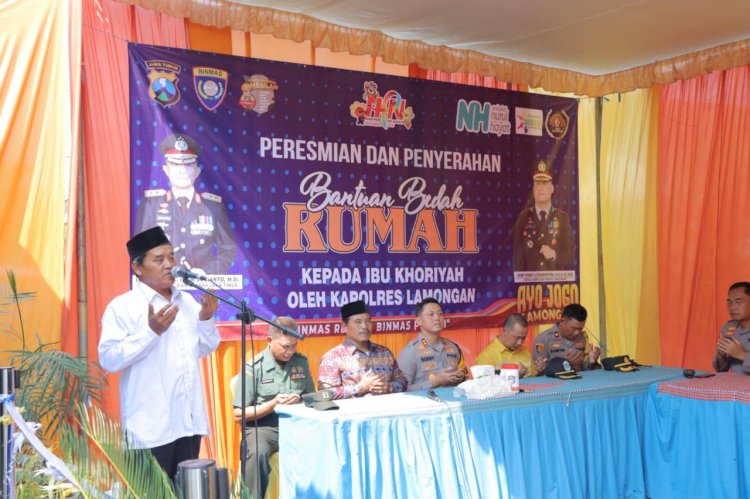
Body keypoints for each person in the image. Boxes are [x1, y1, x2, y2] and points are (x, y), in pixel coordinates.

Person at [98, 226, 220, 479]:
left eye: (171, 257)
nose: (169, 265)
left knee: (186, 493)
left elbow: (205, 348)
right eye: (159, 259)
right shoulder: (123, 307)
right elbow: (109, 359)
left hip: (188, 423)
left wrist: (206, 319)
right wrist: (151, 332)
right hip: (150, 429)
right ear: (138, 267)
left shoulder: (186, 302)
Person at [232, 317, 314, 498]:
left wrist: (299, 401)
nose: (290, 351)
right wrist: (273, 404)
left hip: (296, 425)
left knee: (322, 444)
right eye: (285, 346)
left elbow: (312, 399)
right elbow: (238, 414)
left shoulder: (301, 362)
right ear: (269, 340)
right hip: (263, 428)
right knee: (257, 453)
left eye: (294, 346)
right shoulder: (253, 367)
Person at [135, 133, 236, 275]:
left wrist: (205, 272)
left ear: (197, 171)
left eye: (188, 165)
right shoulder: (151, 205)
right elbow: (140, 248)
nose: (182, 171)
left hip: (200, 285)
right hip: (162, 283)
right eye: (175, 164)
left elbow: (228, 250)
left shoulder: (213, 207)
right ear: (166, 170)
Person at [318, 300, 408, 398]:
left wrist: (389, 387)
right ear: (344, 326)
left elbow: (403, 381)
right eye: (358, 322)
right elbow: (325, 394)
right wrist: (360, 387)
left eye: (368, 321)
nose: (364, 326)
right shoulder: (333, 357)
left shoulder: (384, 352)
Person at [512, 160, 574, 272]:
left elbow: (571, 254)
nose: (540, 187)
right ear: (533, 189)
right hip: (530, 282)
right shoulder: (523, 218)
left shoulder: (562, 218)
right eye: (537, 183)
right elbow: (517, 258)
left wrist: (553, 254)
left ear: (552, 188)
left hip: (554, 281)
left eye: (544, 183)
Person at [397, 297, 466, 391]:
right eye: (431, 314)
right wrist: (435, 381)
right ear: (419, 321)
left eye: (440, 314)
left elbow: (466, 380)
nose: (437, 318)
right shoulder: (410, 352)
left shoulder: (453, 347)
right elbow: (401, 390)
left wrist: (462, 378)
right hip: (426, 400)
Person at [532, 303, 600, 374]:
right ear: (562, 321)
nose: (577, 332)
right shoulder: (543, 340)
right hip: (556, 380)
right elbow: (538, 375)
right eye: (573, 328)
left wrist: (592, 363)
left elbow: (586, 370)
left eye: (580, 328)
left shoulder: (582, 337)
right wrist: (565, 364)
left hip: (580, 380)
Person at [475, 313, 534, 377]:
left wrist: (540, 371)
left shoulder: (525, 352)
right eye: (517, 338)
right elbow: (483, 382)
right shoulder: (486, 357)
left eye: (523, 338)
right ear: (504, 331)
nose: (520, 342)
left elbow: (535, 379)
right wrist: (515, 377)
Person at [713, 282, 750, 374]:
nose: (732, 307)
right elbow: (721, 370)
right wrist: (721, 356)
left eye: (739, 301)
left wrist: (742, 355)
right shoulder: (729, 327)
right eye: (729, 302)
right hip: (734, 382)